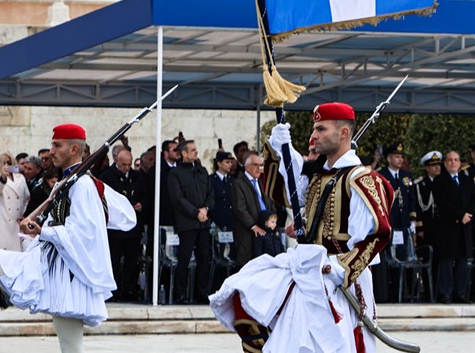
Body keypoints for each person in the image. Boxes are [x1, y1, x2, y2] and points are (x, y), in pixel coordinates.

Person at [210, 102, 393, 352]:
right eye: (314, 128)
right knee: (246, 293)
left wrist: (340, 268)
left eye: (321, 129)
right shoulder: (318, 176)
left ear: (343, 133)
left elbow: (376, 235)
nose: (313, 135)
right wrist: (279, 150)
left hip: (340, 279)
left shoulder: (361, 180)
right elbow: (287, 190)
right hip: (308, 270)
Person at [0, 123, 135, 353]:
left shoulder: (83, 186)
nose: (51, 151)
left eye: (57, 145)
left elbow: (82, 233)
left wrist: (43, 231)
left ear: (73, 149)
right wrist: (36, 227)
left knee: (71, 348)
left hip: (67, 272)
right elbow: (56, 221)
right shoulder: (68, 182)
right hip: (49, 262)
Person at [168, 140, 214, 304]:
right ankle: (181, 293)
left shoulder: (202, 171)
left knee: (204, 258)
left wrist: (205, 209)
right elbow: (178, 198)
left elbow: (210, 193)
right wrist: (196, 213)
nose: (196, 152)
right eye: (192, 150)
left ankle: (202, 292)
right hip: (187, 223)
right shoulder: (175, 173)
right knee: (184, 258)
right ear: (184, 153)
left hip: (204, 222)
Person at [98, 149, 143, 302]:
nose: (126, 168)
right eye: (123, 164)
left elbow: (145, 194)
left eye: (129, 165)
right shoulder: (107, 176)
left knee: (132, 260)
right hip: (114, 228)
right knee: (113, 260)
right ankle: (113, 291)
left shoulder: (137, 176)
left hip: (133, 228)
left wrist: (141, 204)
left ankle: (129, 289)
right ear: (116, 161)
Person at [430, 151, 474, 304]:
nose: (453, 162)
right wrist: (460, 215)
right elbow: (442, 204)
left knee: (462, 260)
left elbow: (473, 200)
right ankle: (446, 293)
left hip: (464, 226)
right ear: (445, 163)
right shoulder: (439, 181)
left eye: (456, 160)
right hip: (448, 227)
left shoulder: (467, 180)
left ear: (460, 163)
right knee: (447, 261)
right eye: (450, 160)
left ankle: (460, 293)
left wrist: (467, 215)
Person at [375, 142, 417, 302]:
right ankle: (389, 292)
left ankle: (402, 292)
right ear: (389, 158)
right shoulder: (381, 175)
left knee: (403, 257)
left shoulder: (406, 176)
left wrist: (413, 219)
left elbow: (412, 199)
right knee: (388, 259)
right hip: (389, 224)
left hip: (403, 224)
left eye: (401, 157)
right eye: (397, 156)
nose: (400, 159)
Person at [230, 152, 279, 267]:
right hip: (248, 231)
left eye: (260, 165)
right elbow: (240, 208)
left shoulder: (263, 182)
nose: (259, 168)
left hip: (266, 229)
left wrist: (273, 223)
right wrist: (253, 226)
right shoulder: (238, 183)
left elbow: (271, 203)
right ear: (247, 167)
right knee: (249, 264)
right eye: (255, 165)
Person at [0, 152, 30, 252]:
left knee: (21, 251)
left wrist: (24, 214)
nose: (7, 165)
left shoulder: (20, 178)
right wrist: (3, 177)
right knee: (7, 252)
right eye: (4, 163)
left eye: (9, 162)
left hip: (18, 222)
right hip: (4, 222)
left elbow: (26, 197)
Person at [414, 151, 442, 246]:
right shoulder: (420, 185)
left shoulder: (444, 183)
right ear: (427, 168)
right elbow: (417, 206)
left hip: (442, 224)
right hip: (426, 225)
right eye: (434, 165)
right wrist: (419, 227)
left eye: (438, 164)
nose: (437, 167)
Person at [210, 151, 236, 232]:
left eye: (231, 162)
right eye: (227, 162)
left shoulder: (233, 180)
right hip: (216, 221)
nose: (230, 164)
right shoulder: (210, 180)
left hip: (231, 221)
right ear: (219, 164)